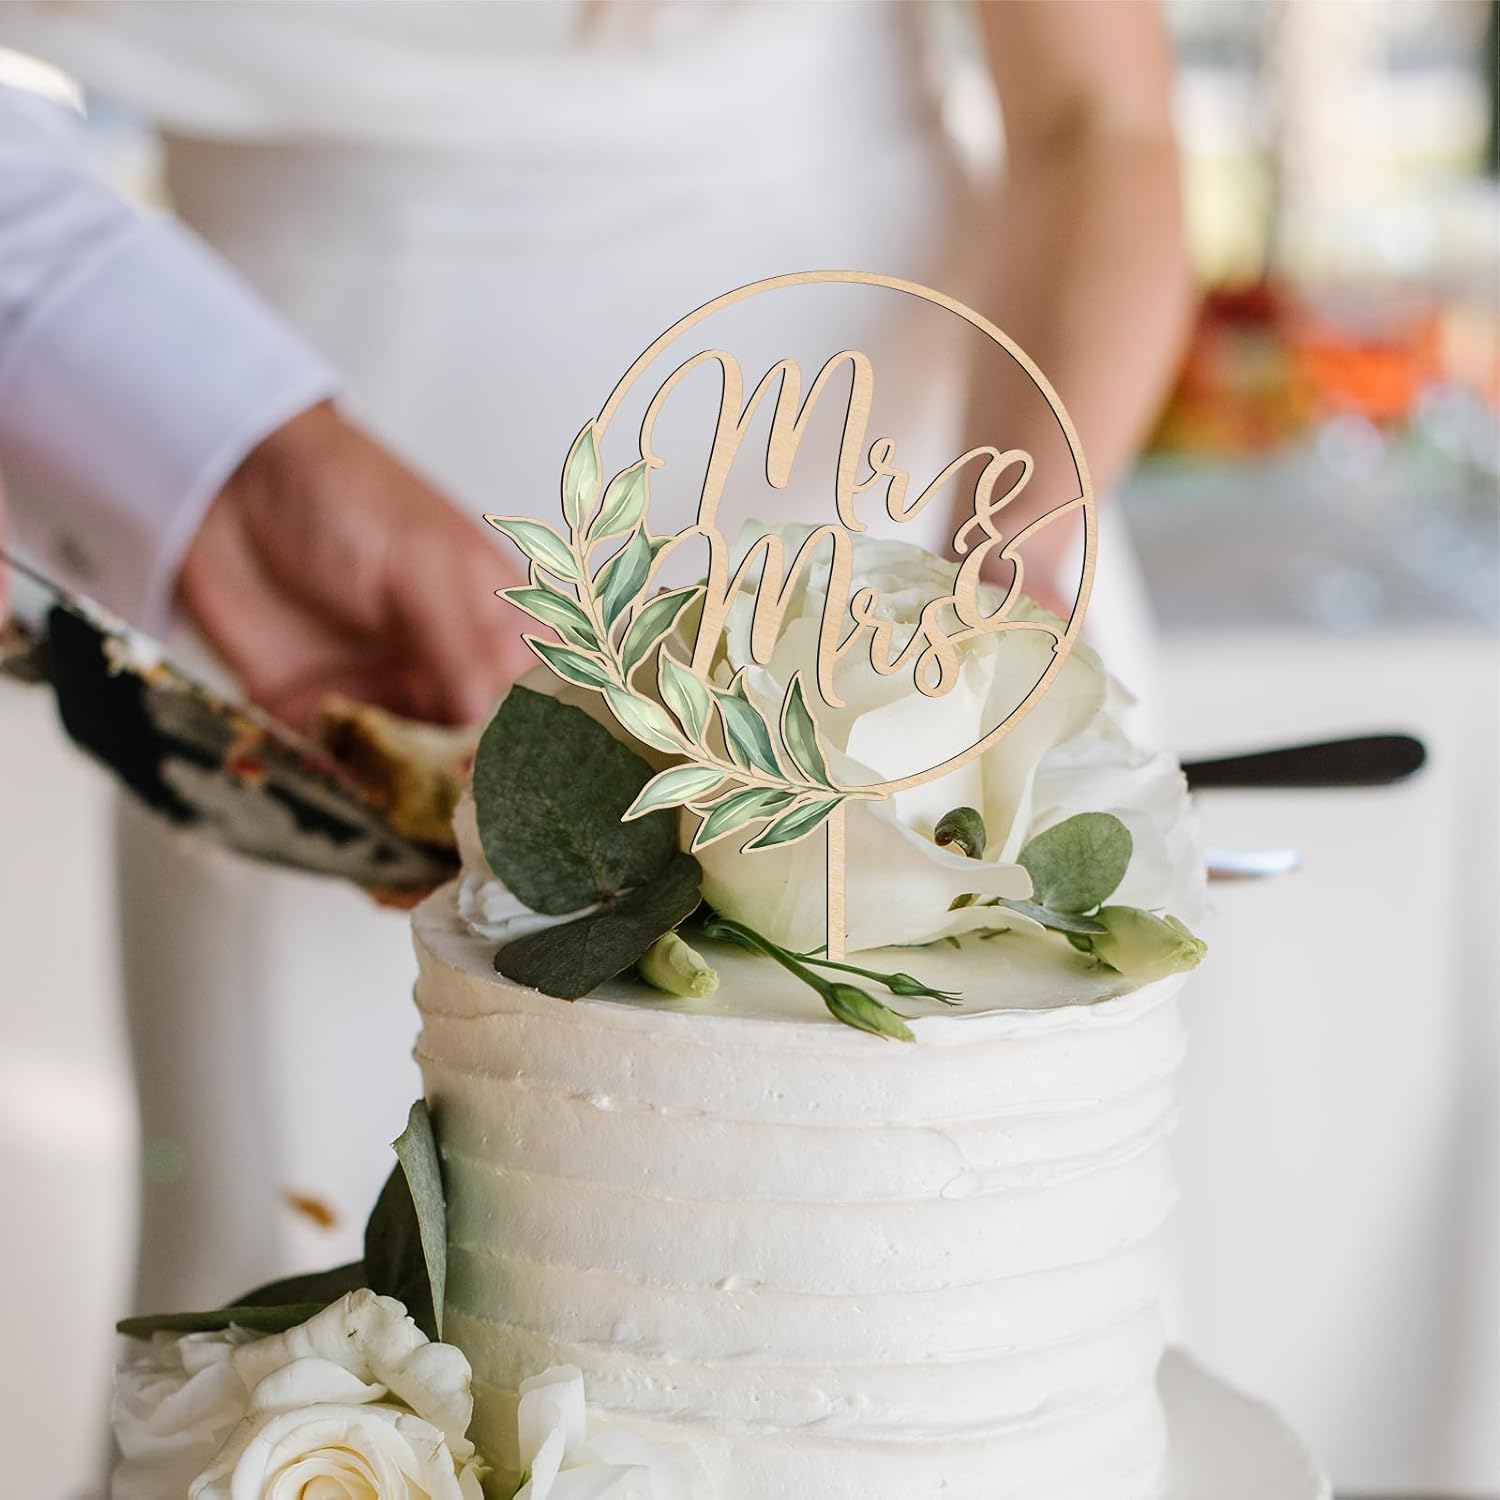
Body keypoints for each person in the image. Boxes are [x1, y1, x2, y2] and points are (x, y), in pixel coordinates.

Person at [0, 1, 1191, 1313]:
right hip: (269, 544)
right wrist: (210, 445)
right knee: (339, 1299)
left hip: (905, 515)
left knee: (954, 1285)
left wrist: (1005, 570)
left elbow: (1097, 117)